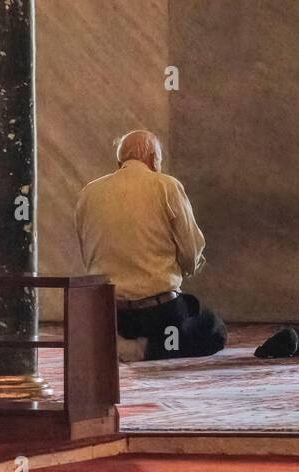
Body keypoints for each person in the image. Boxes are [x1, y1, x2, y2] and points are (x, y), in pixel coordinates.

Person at [75, 129, 227, 363]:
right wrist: (188, 269)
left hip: (109, 313)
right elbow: (191, 249)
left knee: (187, 310)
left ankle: (115, 341)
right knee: (212, 328)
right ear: (155, 161)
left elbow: (88, 251)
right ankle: (143, 349)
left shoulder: (89, 192)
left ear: (119, 162)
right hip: (157, 314)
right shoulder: (166, 186)